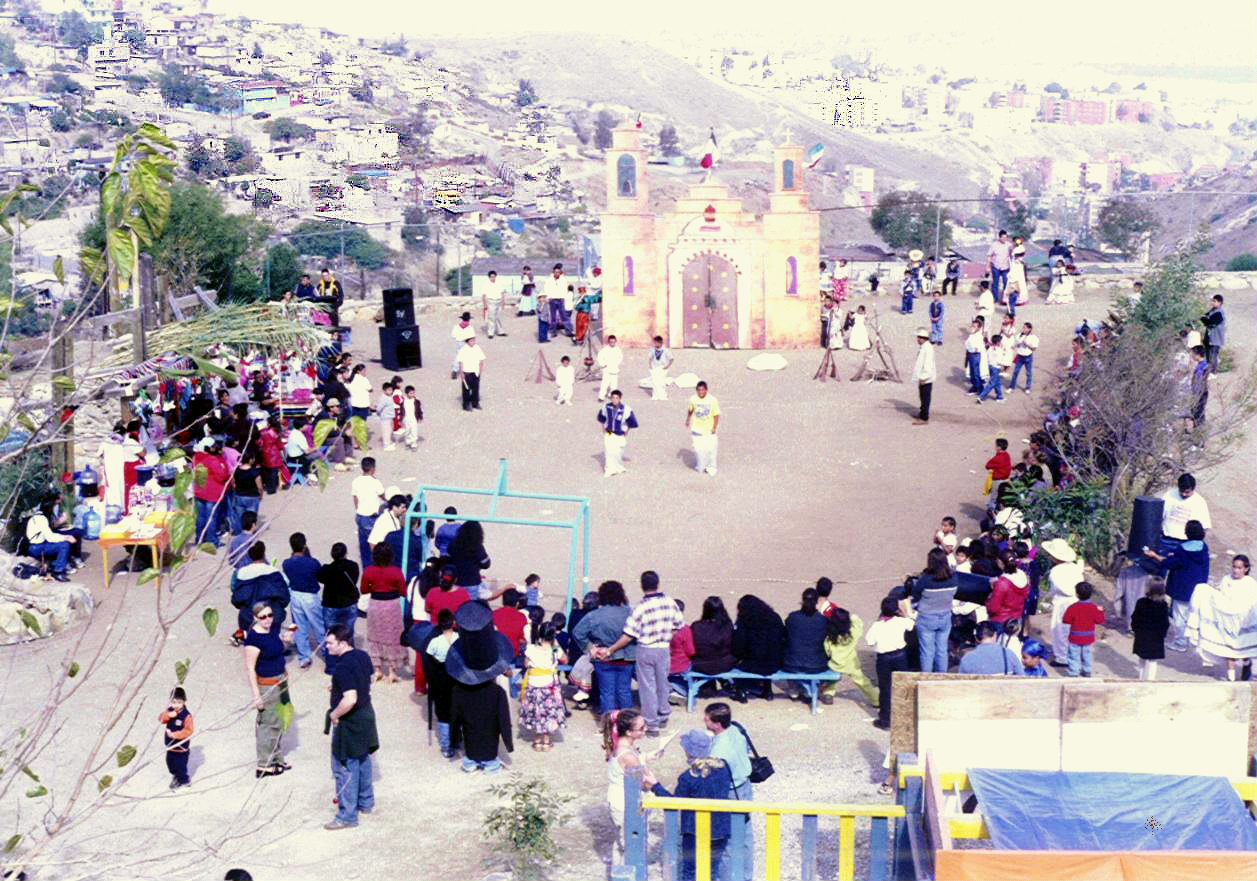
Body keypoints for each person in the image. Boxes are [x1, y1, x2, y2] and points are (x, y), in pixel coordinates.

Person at [599, 571, 684, 733]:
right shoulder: (670, 603)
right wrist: (665, 637)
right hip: (663, 649)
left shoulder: (640, 608)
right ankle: (664, 713)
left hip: (645, 649)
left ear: (642, 586)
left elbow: (628, 636)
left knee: (647, 688)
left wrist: (609, 650)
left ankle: (652, 724)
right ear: (658, 583)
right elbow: (678, 625)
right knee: (662, 683)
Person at [643, 730, 733, 881]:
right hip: (720, 827)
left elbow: (673, 804)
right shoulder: (724, 768)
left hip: (694, 830)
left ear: (688, 751)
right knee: (712, 870)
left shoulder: (688, 778)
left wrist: (655, 785)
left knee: (690, 870)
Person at [447, 602, 516, 773]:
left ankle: (471, 762)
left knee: (471, 735)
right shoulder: (497, 693)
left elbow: (454, 719)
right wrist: (508, 743)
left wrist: (454, 742)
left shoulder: (458, 692)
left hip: (470, 747)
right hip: (490, 748)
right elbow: (504, 721)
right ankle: (490, 763)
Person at [323, 624, 379, 830]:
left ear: (342, 643)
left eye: (330, 643)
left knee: (344, 766)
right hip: (367, 714)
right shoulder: (362, 655)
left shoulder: (342, 667)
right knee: (363, 758)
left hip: (351, 719)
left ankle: (347, 816)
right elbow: (370, 678)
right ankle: (366, 802)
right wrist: (338, 685)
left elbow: (350, 699)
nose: (326, 647)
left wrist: (334, 715)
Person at [242, 600, 294, 778]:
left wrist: (286, 641)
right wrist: (257, 696)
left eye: (270, 615)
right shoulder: (254, 639)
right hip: (267, 685)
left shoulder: (272, 631)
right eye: (263, 617)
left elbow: (278, 651)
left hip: (280, 681)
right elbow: (250, 668)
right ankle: (264, 765)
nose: (267, 620)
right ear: (255, 618)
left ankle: (276, 758)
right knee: (267, 725)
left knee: (280, 720)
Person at [704, 702, 755, 880]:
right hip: (745, 786)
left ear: (716, 724)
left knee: (728, 842)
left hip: (731, 793)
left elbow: (713, 777)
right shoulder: (736, 729)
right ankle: (746, 876)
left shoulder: (719, 750)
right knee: (746, 837)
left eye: (707, 720)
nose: (704, 721)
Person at [1144, 520, 1210, 653]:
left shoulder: (1182, 549)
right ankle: (1193, 639)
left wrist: (1154, 556)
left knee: (1180, 615)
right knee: (1193, 614)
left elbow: (1170, 563)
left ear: (1187, 533)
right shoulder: (1203, 548)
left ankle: (1181, 642)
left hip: (1182, 588)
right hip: (1198, 588)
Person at [1186, 555, 1257, 680]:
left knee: (1242, 649)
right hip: (1227, 620)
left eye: (1239, 568)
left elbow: (1253, 603)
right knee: (1228, 651)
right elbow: (1221, 597)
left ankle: (1247, 663)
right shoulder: (1226, 579)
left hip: (1243, 622)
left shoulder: (1250, 584)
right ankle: (1231, 678)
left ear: (1246, 569)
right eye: (1234, 567)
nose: (1236, 570)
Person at [572, 580, 635, 716]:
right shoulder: (630, 613)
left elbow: (578, 633)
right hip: (626, 657)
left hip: (603, 658)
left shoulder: (594, 615)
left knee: (607, 693)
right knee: (624, 691)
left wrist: (590, 647)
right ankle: (629, 723)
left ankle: (609, 725)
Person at [604, 709, 652, 852]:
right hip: (626, 803)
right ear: (629, 732)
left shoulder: (619, 745)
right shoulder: (628, 756)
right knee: (632, 845)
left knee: (623, 841)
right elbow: (646, 782)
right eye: (642, 728)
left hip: (619, 799)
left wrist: (647, 757)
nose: (646, 729)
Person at [360, 543, 407, 683]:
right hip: (392, 605)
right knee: (393, 636)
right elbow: (403, 591)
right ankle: (392, 671)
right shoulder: (396, 572)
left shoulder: (369, 571)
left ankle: (378, 670)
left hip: (376, 605)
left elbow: (364, 589)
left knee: (375, 635)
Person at [866, 597, 914, 730]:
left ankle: (885, 720)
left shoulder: (877, 625)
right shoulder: (901, 621)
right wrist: (904, 614)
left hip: (884, 659)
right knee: (902, 686)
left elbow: (869, 641)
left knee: (885, 688)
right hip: (900, 656)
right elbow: (911, 625)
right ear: (896, 611)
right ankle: (903, 717)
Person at [520, 621, 568, 751]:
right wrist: (556, 645)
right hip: (549, 686)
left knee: (536, 711)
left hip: (534, 685)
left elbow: (526, 664)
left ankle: (537, 741)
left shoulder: (531, 649)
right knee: (548, 712)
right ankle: (546, 742)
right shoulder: (555, 651)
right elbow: (565, 659)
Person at [908, 548, 958, 672]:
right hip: (945, 617)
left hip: (927, 619)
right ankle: (941, 677)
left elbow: (915, 595)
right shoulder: (953, 578)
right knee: (942, 650)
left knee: (927, 651)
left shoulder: (925, 580)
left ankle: (926, 678)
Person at [283, 532, 325, 670]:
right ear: (304, 545)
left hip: (295, 595)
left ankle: (303, 657)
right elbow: (319, 576)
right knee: (319, 625)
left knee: (299, 626)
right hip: (310, 596)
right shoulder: (312, 563)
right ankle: (326, 651)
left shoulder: (287, 563)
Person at [730, 595, 785, 701]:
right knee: (767, 653)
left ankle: (742, 688)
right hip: (774, 663)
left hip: (755, 663)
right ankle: (767, 689)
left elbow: (738, 647)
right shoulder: (774, 617)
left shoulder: (744, 621)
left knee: (738, 662)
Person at [318, 542, 360, 675]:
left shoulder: (327, 569)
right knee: (348, 635)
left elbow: (319, 578)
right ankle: (349, 664)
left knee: (331, 636)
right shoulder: (353, 566)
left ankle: (331, 666)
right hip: (349, 604)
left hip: (331, 605)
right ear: (345, 553)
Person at [821, 608, 877, 706]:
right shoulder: (853, 633)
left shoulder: (830, 637)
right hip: (851, 663)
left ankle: (828, 694)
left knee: (832, 681)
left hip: (835, 664)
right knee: (863, 682)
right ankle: (876, 700)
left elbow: (827, 650)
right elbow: (858, 623)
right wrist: (851, 617)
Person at [1042, 539, 1084, 666]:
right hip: (1076, 601)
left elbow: (1056, 589)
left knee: (1060, 629)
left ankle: (1062, 657)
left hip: (1062, 602)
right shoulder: (1075, 568)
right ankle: (1074, 654)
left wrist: (1047, 598)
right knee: (1073, 629)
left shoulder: (1056, 571)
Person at [783, 588, 829, 695]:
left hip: (792, 664)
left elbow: (786, 635)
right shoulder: (822, 620)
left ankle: (794, 689)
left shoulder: (793, 617)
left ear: (802, 600)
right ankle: (809, 689)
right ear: (817, 601)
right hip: (816, 665)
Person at [689, 595, 738, 697]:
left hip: (701, 664)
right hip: (724, 664)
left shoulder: (696, 626)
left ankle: (708, 687)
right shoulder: (727, 625)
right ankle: (723, 683)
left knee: (708, 656)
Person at [192, 437, 232, 548]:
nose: (215, 448)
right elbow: (222, 476)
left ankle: (200, 538)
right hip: (211, 493)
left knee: (201, 517)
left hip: (199, 491)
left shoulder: (196, 458)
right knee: (212, 518)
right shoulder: (212, 460)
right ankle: (212, 541)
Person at [1060, 582, 1105, 677]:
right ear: (1091, 594)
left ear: (1077, 594)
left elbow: (1065, 620)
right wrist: (1100, 611)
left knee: (1073, 655)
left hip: (1074, 637)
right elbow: (1100, 621)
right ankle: (1087, 670)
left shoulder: (1073, 607)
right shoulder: (1093, 608)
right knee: (1087, 655)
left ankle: (1073, 672)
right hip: (1088, 637)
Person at [24, 499, 74, 580]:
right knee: (64, 545)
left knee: (59, 542)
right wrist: (66, 537)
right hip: (37, 547)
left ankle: (55, 565)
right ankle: (58, 572)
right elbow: (50, 537)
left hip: (35, 545)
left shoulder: (36, 517)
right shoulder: (41, 519)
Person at [1131, 578, 1170, 681]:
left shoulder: (1141, 602)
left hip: (1142, 636)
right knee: (1153, 661)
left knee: (1142, 659)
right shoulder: (1163, 605)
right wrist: (1163, 635)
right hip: (1156, 638)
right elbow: (1165, 623)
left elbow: (1135, 618)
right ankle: (1150, 681)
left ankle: (1141, 678)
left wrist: (1136, 630)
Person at [1160, 473, 1212, 547]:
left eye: (1187, 492)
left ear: (1193, 489)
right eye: (1181, 491)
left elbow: (1204, 526)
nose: (1184, 494)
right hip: (1166, 540)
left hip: (1186, 542)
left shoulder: (1199, 502)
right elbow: (1159, 516)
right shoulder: (1169, 495)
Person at [158, 686, 194, 790]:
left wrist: (174, 735)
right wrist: (168, 715)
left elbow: (188, 731)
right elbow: (161, 719)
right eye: (173, 702)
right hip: (170, 746)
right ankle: (175, 776)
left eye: (179, 702)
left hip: (181, 748)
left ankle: (184, 781)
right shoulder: (169, 711)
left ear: (184, 702)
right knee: (170, 764)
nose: (176, 705)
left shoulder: (186, 716)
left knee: (180, 767)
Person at [351, 458, 385, 567]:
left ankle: (367, 570)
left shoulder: (356, 481)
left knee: (364, 546)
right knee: (375, 544)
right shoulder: (375, 482)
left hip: (361, 515)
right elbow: (383, 495)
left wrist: (358, 510)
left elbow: (355, 498)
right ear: (373, 469)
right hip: (372, 517)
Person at [597, 389, 639, 477]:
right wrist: (603, 428)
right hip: (609, 431)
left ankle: (618, 467)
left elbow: (632, 422)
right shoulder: (606, 407)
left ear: (620, 399)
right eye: (613, 398)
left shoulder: (626, 409)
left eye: (617, 398)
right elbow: (601, 417)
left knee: (619, 451)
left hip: (620, 433)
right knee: (609, 450)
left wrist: (627, 431)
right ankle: (609, 470)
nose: (614, 400)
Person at [958, 621, 1024, 675]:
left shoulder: (967, 659)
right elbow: (1021, 677)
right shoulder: (1009, 654)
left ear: (976, 638)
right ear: (995, 635)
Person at [447, 520, 491, 599]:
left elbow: (448, 555)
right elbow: (486, 563)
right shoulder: (477, 547)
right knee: (470, 606)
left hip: (456, 581)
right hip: (472, 581)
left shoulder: (454, 544)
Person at [686, 381, 720, 477]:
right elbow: (690, 410)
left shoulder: (712, 400)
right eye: (699, 390)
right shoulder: (693, 399)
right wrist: (688, 419)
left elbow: (716, 414)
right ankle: (701, 465)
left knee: (711, 449)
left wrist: (714, 427)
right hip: (697, 429)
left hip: (709, 429)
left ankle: (711, 467)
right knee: (698, 449)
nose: (701, 392)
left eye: (702, 390)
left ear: (706, 390)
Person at [986, 554, 1030, 627]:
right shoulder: (1022, 575)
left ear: (1000, 563)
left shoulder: (1002, 583)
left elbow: (993, 608)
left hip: (1000, 620)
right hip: (1016, 619)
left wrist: (988, 599)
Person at [492, 587, 529, 654]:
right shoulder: (521, 617)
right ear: (517, 603)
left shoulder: (494, 614)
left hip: (496, 652)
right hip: (512, 653)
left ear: (503, 601)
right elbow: (523, 639)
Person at [911, 327, 935, 425]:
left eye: (919, 337)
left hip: (926, 378)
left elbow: (927, 365)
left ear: (923, 338)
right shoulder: (925, 347)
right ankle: (922, 413)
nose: (917, 339)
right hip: (923, 377)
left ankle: (924, 418)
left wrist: (923, 377)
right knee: (922, 396)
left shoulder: (927, 349)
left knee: (925, 397)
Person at [457, 335, 487, 412]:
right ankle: (466, 404)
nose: (473, 342)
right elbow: (461, 362)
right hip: (467, 372)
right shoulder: (463, 350)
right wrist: (461, 372)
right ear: (467, 341)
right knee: (466, 389)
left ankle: (475, 403)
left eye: (474, 340)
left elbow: (481, 358)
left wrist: (481, 367)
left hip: (476, 372)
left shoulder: (477, 348)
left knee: (476, 388)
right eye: (471, 340)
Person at [1009, 322, 1038, 394]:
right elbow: (1017, 344)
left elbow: (1034, 349)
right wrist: (1016, 345)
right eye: (1023, 327)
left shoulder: (1033, 337)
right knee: (1015, 372)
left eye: (1025, 328)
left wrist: (1027, 344)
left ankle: (1028, 388)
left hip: (1028, 357)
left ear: (1029, 329)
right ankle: (1012, 386)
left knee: (1028, 373)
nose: (1023, 329)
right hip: (1020, 356)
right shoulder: (1019, 335)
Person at [975, 334, 1004, 403]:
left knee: (998, 382)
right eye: (1000, 341)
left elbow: (987, 357)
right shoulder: (999, 350)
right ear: (998, 342)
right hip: (996, 367)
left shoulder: (990, 349)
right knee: (992, 383)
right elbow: (1000, 361)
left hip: (990, 366)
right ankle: (981, 397)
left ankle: (999, 397)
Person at [1201, 294, 1225, 373]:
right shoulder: (1212, 310)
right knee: (1208, 357)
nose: (1212, 303)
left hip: (1215, 339)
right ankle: (1208, 373)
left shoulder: (1219, 313)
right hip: (1209, 338)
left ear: (1220, 303)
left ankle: (1213, 373)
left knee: (1213, 356)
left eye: (1214, 301)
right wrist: (1205, 319)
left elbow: (1210, 323)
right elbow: (1203, 317)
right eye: (1212, 301)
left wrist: (1205, 319)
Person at [596, 334, 624, 402]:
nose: (612, 343)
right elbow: (599, 357)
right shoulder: (605, 350)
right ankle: (601, 397)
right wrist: (603, 364)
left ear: (615, 342)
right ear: (608, 342)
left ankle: (612, 396)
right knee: (604, 384)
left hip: (615, 370)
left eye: (613, 342)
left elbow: (620, 358)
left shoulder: (618, 350)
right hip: (607, 370)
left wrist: (616, 364)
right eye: (611, 342)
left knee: (614, 385)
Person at [987, 230, 1012, 303]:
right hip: (996, 266)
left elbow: (1012, 254)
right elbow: (989, 256)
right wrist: (988, 267)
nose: (1005, 239)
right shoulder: (994, 245)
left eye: (1006, 238)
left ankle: (1005, 298)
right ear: (999, 237)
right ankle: (995, 298)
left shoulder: (1009, 245)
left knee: (1006, 282)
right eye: (1003, 238)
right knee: (995, 283)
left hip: (1005, 267)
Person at [648, 336, 673, 401]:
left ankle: (663, 396)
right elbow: (650, 358)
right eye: (655, 343)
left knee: (661, 382)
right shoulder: (653, 350)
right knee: (655, 382)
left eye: (657, 343)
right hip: (654, 368)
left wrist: (667, 366)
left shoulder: (665, 350)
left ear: (661, 343)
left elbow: (671, 359)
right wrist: (650, 366)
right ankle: (655, 396)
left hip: (662, 368)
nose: (656, 344)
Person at [483, 269, 506, 339]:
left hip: (498, 302)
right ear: (489, 277)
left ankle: (500, 331)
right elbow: (484, 295)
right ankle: (490, 333)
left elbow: (502, 294)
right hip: (491, 302)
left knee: (498, 317)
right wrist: (485, 304)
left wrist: (503, 303)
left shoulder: (499, 284)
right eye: (491, 277)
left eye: (494, 276)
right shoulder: (486, 285)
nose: (493, 278)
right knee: (491, 318)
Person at [450, 311, 474, 377]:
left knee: (458, 356)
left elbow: (453, 335)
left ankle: (455, 370)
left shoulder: (456, 327)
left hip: (458, 342)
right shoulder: (470, 328)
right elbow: (471, 337)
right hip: (465, 343)